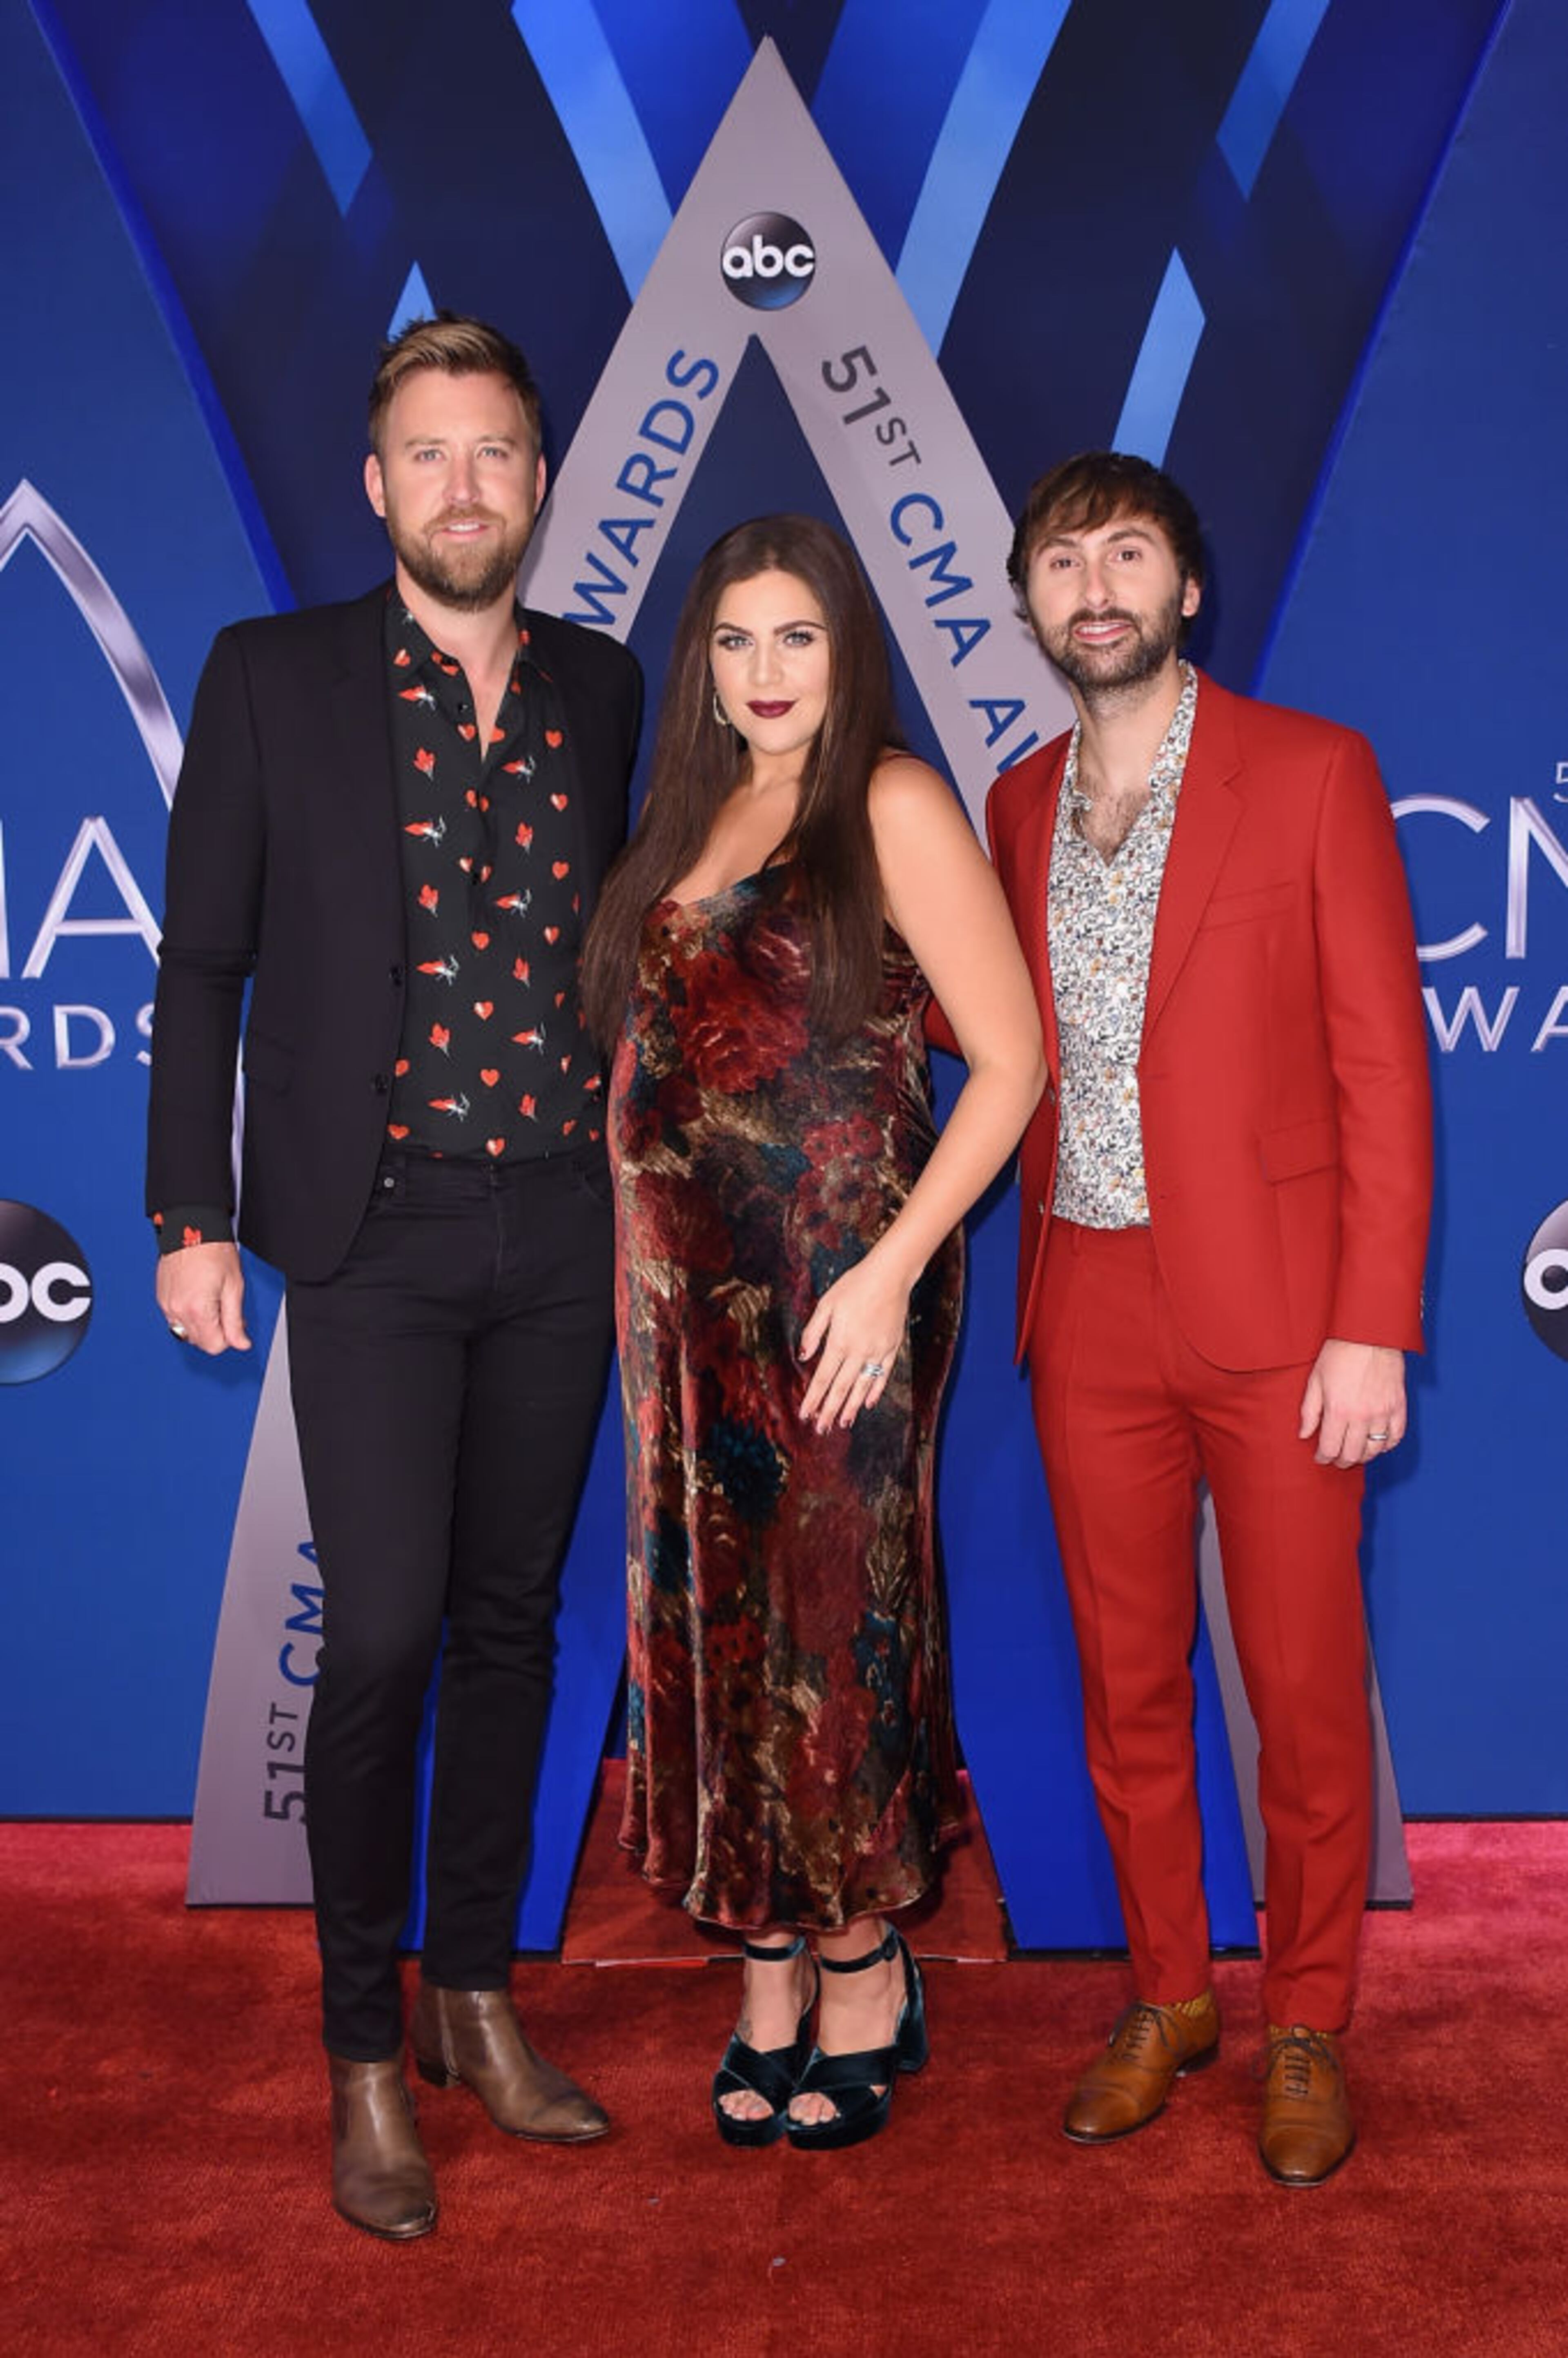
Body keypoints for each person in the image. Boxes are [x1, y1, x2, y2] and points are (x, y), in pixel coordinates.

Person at [147, 313, 641, 2238]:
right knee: (382, 1639)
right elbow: (203, 968)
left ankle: (476, 1997)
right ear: (377, 484)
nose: (462, 486)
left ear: (537, 476)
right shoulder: (270, 677)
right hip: (370, 1229)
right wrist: (192, 1213)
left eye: (495, 453)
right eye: (426, 454)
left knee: (513, 1626)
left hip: (561, 1227)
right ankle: (366, 2052)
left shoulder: (604, 691)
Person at [987, 450, 1432, 2184]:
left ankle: (1303, 2017)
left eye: (1128, 555)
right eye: (1063, 561)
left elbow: (1385, 1072)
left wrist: (1370, 1322)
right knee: (1126, 1685)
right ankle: (1170, 1996)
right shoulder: (1016, 805)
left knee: (1303, 1690)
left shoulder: (1312, 774)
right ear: (1032, 604)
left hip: (1282, 1318)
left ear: (1187, 591)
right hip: (1084, 1296)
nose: (1094, 586)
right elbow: (990, 1031)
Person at [580, 515, 1042, 2151]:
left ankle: (865, 1963)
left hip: (841, 1301)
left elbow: (1008, 1060)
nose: (765, 675)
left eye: (798, 639)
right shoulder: (696, 811)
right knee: (706, 1631)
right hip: (679, 1320)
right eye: (734, 642)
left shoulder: (892, 802)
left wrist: (895, 1266)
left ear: (847, 652)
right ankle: (764, 1962)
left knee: (829, 1637)